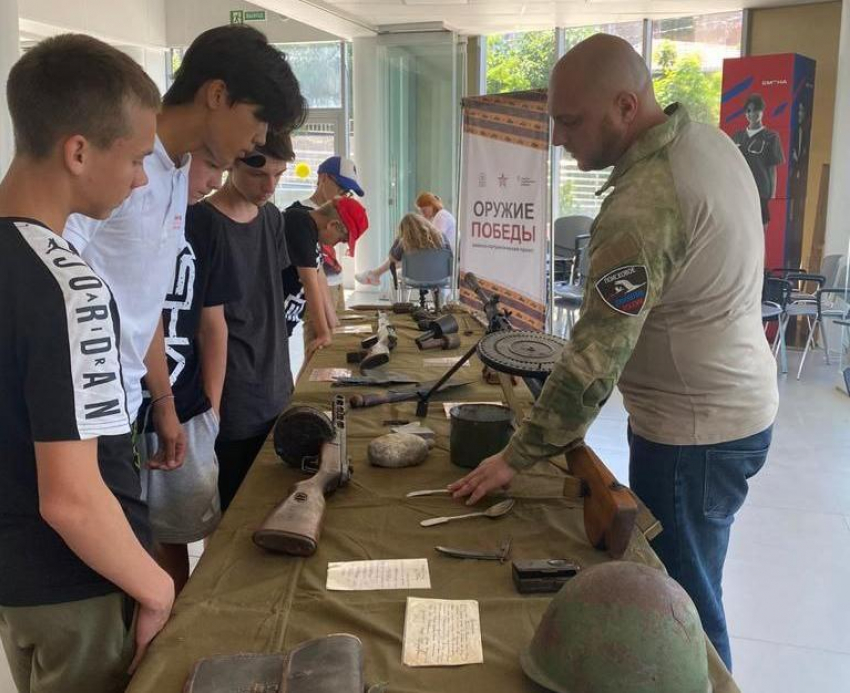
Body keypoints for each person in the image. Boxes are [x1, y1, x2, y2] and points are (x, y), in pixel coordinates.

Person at [449, 34, 778, 671]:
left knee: (683, 620)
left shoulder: (644, 204)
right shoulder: (706, 140)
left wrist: (518, 457)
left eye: (570, 122)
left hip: (694, 435)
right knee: (695, 592)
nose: (558, 140)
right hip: (732, 412)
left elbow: (595, 361)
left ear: (626, 106)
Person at [0, 35, 173, 692]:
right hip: (80, 586)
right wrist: (157, 589)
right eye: (133, 158)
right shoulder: (68, 286)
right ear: (78, 151)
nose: (139, 179)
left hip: (18, 586)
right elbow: (71, 498)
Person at [63, 25, 307, 477]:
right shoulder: (119, 162)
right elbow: (51, 273)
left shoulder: (177, 176)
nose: (259, 138)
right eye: (258, 119)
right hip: (82, 412)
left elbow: (147, 301)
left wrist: (163, 402)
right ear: (217, 94)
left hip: (130, 403)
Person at [136, 152, 233, 594]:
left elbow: (213, 323)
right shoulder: (133, 209)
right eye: (210, 165)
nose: (215, 182)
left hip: (189, 409)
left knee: (187, 530)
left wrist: (212, 406)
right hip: (129, 413)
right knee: (144, 545)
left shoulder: (206, 224)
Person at [192, 130, 295, 512]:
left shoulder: (272, 218)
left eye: (279, 175)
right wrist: (212, 410)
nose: (269, 186)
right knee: (232, 516)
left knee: (274, 506)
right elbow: (205, 326)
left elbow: (274, 297)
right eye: (259, 175)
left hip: (275, 386)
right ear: (234, 161)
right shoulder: (201, 222)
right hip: (231, 396)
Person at [287, 156, 365, 348]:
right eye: (340, 187)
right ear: (322, 178)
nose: (342, 194)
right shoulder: (301, 218)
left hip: (330, 290)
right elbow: (310, 278)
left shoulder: (317, 225)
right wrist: (324, 331)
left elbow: (318, 271)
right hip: (297, 304)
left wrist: (334, 325)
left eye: (347, 192)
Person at [731, 93, 784, 228]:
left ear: (762, 111)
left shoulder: (771, 137)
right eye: (748, 111)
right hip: (740, 189)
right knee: (740, 226)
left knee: (760, 226)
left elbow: (772, 168)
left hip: (761, 190)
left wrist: (772, 194)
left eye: (755, 110)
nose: (752, 114)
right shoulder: (737, 136)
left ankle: (761, 249)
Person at [354, 212, 450, 286]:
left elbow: (392, 259)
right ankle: (374, 274)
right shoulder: (441, 236)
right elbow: (449, 257)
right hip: (439, 277)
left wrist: (399, 237)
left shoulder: (404, 242)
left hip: (415, 277)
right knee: (411, 264)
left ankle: (402, 304)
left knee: (397, 272)